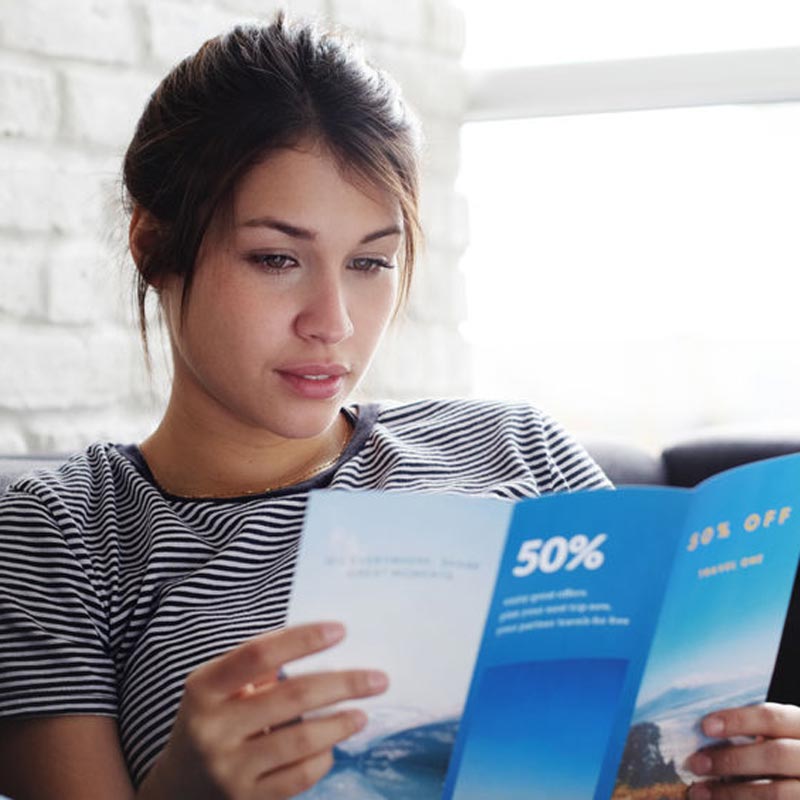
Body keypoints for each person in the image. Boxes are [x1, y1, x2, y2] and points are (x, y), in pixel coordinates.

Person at [0, 12, 796, 800]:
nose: (334, 322)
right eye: (277, 258)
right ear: (153, 246)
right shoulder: (62, 535)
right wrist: (185, 793)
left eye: (370, 262)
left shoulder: (517, 445)